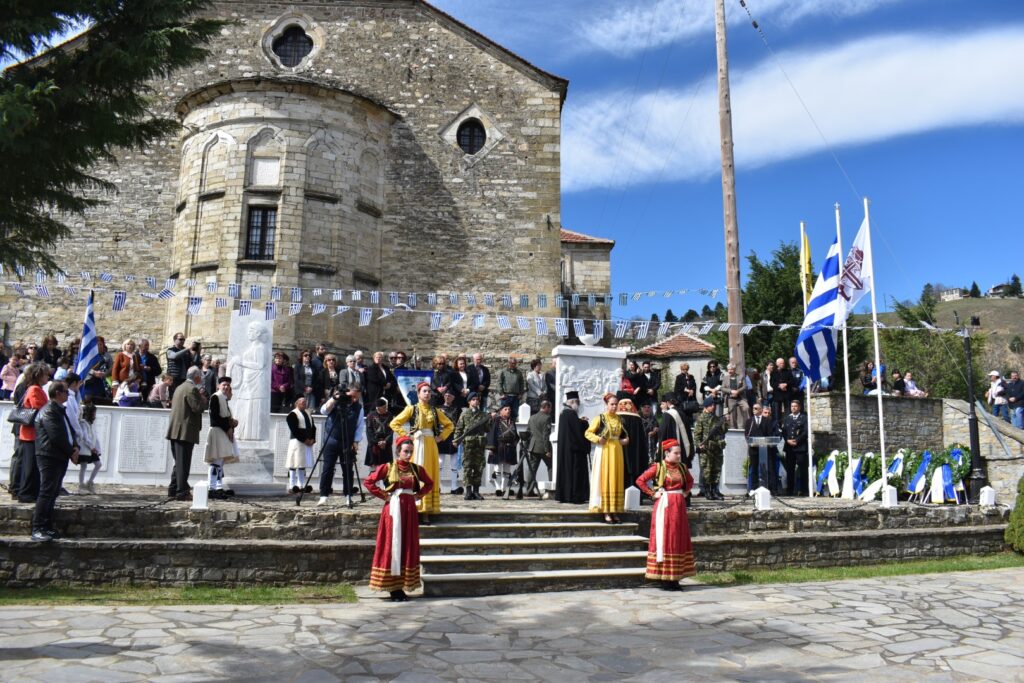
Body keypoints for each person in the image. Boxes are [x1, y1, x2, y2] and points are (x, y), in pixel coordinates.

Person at [363, 435, 434, 602]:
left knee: (406, 543)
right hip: (393, 510)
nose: (408, 455)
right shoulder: (388, 467)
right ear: (398, 452)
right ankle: (393, 587)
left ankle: (402, 585)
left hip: (409, 509)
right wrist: (384, 496)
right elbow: (369, 482)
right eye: (405, 452)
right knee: (392, 544)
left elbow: (429, 483)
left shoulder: (416, 469)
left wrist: (419, 495)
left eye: (410, 452)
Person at [635, 438, 695, 590]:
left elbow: (690, 481)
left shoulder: (682, 467)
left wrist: (686, 492)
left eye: (679, 453)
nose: (679, 456)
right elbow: (640, 480)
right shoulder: (658, 467)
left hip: (679, 506)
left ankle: (675, 577)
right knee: (665, 538)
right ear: (667, 453)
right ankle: (664, 578)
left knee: (678, 538)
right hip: (665, 505)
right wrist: (652, 494)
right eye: (676, 453)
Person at [390, 382, 453, 523]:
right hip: (417, 445)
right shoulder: (411, 409)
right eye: (424, 391)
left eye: (429, 391)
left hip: (431, 445)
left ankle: (427, 510)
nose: (427, 394)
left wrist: (441, 437)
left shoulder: (435, 411)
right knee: (416, 474)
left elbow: (450, 425)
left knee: (429, 474)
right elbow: (394, 423)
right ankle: (415, 508)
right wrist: (407, 436)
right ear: (418, 394)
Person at [30, 381, 78, 542]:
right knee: (46, 491)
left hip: (59, 456)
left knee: (53, 492)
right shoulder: (49, 411)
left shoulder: (59, 410)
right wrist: (71, 451)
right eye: (65, 392)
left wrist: (75, 446)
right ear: (57, 393)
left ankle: (47, 526)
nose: (68, 394)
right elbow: (56, 436)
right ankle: (38, 527)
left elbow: (69, 431)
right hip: (49, 456)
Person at [165, 366, 209, 500]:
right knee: (183, 463)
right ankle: (182, 492)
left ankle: (173, 488)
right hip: (185, 431)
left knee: (179, 462)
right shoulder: (192, 389)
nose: (201, 379)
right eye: (200, 376)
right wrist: (203, 398)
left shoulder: (179, 387)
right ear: (196, 377)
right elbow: (197, 408)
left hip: (176, 430)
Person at [319, 385, 366, 508]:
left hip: (347, 441)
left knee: (347, 469)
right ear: (347, 393)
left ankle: (348, 495)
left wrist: (356, 441)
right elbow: (323, 411)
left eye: (357, 397)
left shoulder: (358, 407)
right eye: (352, 396)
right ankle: (324, 495)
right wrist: (334, 398)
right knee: (328, 468)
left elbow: (360, 425)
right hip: (331, 440)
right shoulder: (336, 402)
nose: (354, 399)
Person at [586, 392, 628, 524]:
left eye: (616, 404)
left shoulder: (620, 419)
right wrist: (598, 439)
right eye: (612, 404)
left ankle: (614, 509)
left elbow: (625, 435)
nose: (614, 407)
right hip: (604, 450)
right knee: (605, 477)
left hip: (617, 451)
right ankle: (605, 510)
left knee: (616, 477)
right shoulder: (600, 418)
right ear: (606, 405)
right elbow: (588, 432)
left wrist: (625, 440)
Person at [16, 362, 50, 503]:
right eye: (45, 374)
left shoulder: (36, 388)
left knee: (33, 465)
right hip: (31, 434)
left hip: (33, 434)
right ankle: (26, 493)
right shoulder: (35, 389)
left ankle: (31, 492)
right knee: (30, 466)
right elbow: (39, 408)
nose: (48, 376)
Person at [204, 376, 239, 499]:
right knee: (215, 462)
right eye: (224, 384)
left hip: (222, 432)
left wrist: (232, 423)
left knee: (220, 462)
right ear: (219, 386)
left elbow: (225, 417)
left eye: (228, 385)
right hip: (217, 431)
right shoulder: (216, 397)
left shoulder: (223, 400)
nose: (226, 387)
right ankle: (212, 487)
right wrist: (228, 426)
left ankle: (218, 486)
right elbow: (215, 417)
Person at [554, 390, 590, 504]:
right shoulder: (570, 414)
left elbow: (573, 428)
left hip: (566, 451)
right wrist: (584, 423)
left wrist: (580, 421)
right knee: (574, 473)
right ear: (573, 402)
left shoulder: (564, 414)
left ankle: (566, 495)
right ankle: (575, 496)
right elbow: (578, 431)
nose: (578, 406)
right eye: (577, 403)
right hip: (574, 452)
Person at [451, 392, 489, 500]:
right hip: (468, 444)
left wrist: (489, 419)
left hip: (479, 444)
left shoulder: (482, 415)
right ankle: (468, 491)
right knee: (467, 467)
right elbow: (459, 428)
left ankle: (476, 491)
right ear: (469, 401)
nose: (476, 401)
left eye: (477, 400)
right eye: (473, 399)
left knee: (479, 468)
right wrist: (456, 439)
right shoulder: (464, 414)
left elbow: (487, 429)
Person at [693, 396, 726, 500]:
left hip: (716, 448)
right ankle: (707, 491)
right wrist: (699, 444)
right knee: (707, 470)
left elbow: (722, 432)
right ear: (706, 406)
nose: (714, 406)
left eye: (714, 405)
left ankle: (715, 490)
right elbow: (697, 435)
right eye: (711, 405)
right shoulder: (701, 418)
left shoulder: (716, 418)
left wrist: (725, 423)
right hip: (706, 449)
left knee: (716, 469)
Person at [486, 404, 520, 496]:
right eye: (505, 409)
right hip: (499, 447)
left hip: (509, 448)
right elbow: (491, 434)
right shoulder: (496, 421)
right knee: (497, 469)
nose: (508, 411)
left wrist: (516, 441)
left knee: (507, 470)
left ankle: (504, 488)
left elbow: (515, 434)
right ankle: (498, 489)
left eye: (509, 409)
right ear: (501, 411)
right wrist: (491, 448)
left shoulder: (512, 421)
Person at [745, 403, 779, 494]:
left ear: (760, 410)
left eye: (756, 408)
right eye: (753, 408)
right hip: (754, 449)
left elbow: (770, 435)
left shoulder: (767, 421)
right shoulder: (749, 421)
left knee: (769, 468)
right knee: (754, 469)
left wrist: (765, 442)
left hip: (765, 449)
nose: (754, 410)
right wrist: (750, 442)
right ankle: (754, 488)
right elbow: (747, 435)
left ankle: (773, 489)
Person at [616, 397, 648, 494]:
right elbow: (643, 438)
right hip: (636, 452)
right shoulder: (637, 418)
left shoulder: (616, 417)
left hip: (620, 449)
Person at [285, 396, 317, 494]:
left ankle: (301, 485)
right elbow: (294, 429)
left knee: (302, 464)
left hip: (307, 442)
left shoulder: (308, 414)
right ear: (296, 403)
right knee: (294, 463)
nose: (305, 403)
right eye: (302, 402)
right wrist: (304, 439)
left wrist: (312, 439)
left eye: (305, 402)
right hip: (297, 442)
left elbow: (313, 428)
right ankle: (292, 485)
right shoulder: (293, 414)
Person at [524, 400, 553, 497]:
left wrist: (528, 446)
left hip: (533, 447)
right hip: (543, 447)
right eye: (550, 408)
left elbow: (528, 432)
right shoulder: (547, 418)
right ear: (546, 407)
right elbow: (546, 435)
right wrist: (547, 450)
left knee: (532, 469)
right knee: (551, 467)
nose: (551, 410)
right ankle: (551, 488)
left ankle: (529, 490)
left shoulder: (532, 417)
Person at [657, 393, 693, 470]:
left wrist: (659, 453)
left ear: (668, 403)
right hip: (683, 454)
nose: (661, 406)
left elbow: (662, 433)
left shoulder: (667, 415)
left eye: (662, 404)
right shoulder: (682, 414)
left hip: (672, 454)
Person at [437, 390, 463, 495]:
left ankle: (454, 486)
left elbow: (460, 424)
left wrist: (459, 438)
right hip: (441, 437)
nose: (447, 397)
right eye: (446, 395)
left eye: (450, 395)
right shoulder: (438, 409)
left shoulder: (457, 409)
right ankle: (437, 487)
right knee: (439, 463)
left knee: (454, 463)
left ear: (453, 397)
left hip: (453, 437)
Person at [782, 399, 809, 496]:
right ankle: (790, 490)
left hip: (800, 447)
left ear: (799, 407)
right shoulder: (787, 418)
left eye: (795, 406)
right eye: (792, 406)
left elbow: (806, 432)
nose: (793, 408)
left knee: (802, 469)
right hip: (789, 448)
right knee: (790, 469)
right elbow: (784, 432)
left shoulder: (804, 418)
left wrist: (797, 440)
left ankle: (804, 490)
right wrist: (787, 440)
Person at [76, 399, 102, 493]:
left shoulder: (92, 424)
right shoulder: (83, 423)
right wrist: (91, 446)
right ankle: (81, 486)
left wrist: (98, 449)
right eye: (94, 412)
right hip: (85, 448)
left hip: (92, 449)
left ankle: (90, 482)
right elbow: (85, 437)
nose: (95, 414)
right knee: (84, 466)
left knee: (98, 464)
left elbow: (95, 436)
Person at [723, 362, 750, 430]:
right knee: (733, 415)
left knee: (746, 408)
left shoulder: (740, 376)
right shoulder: (725, 378)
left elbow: (745, 386)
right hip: (731, 398)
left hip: (740, 398)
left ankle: (746, 426)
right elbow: (722, 388)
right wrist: (731, 391)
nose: (730, 371)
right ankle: (734, 428)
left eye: (731, 369)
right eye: (728, 369)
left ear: (734, 369)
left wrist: (737, 391)